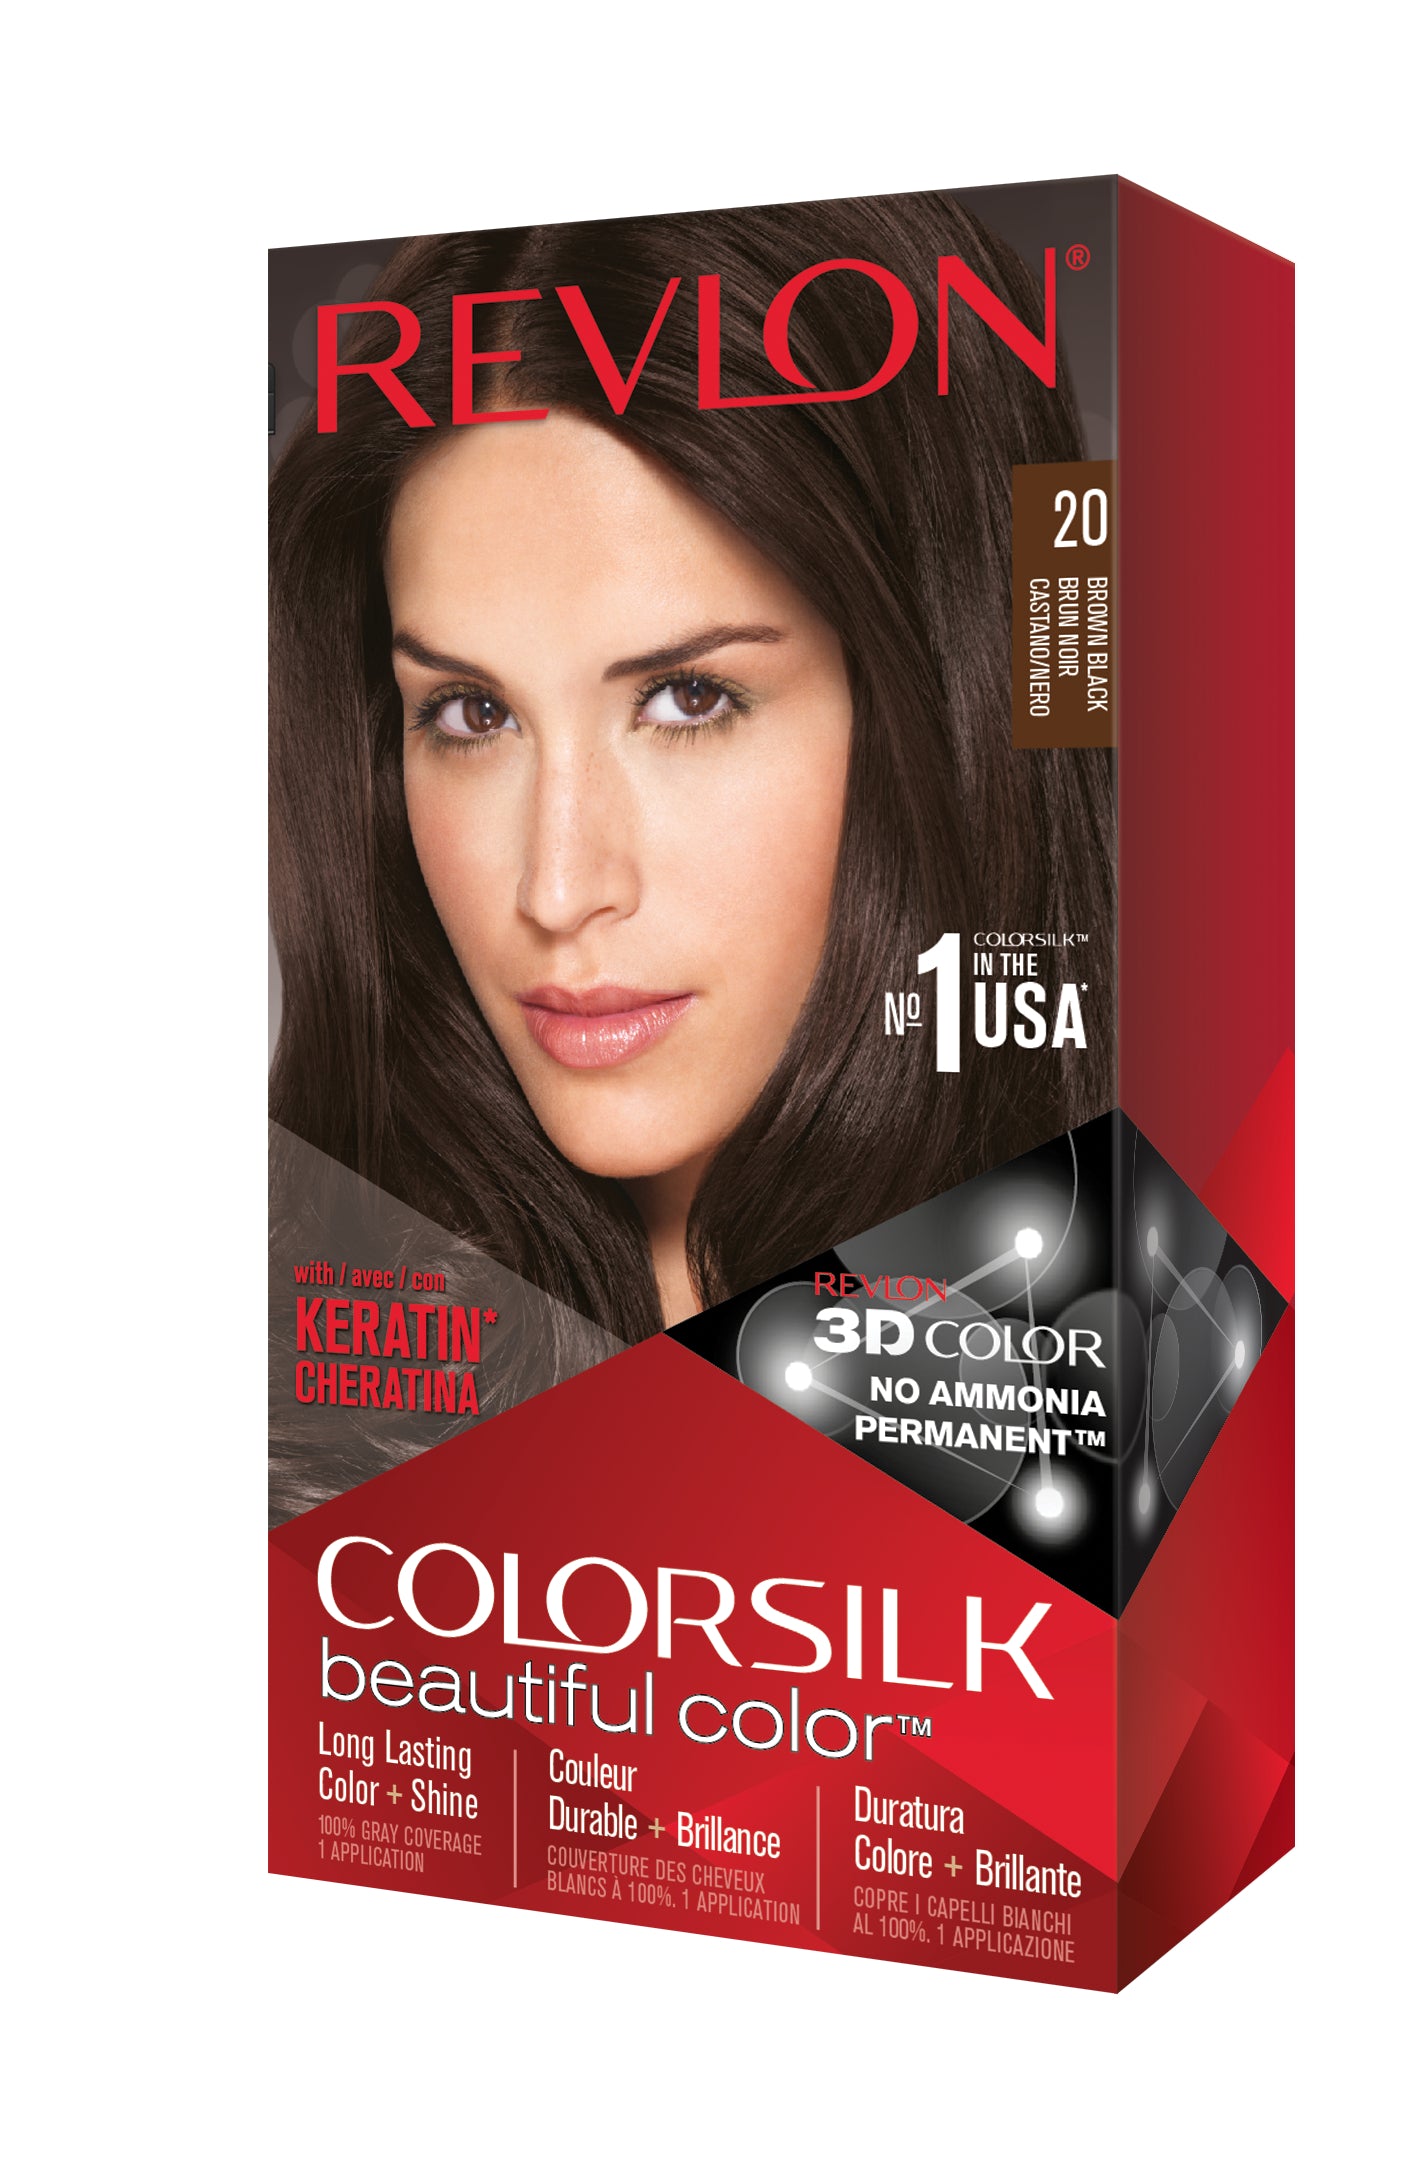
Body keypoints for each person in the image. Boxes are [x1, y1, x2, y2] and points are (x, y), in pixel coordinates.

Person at [270, 193, 1115, 1363]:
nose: (558, 890)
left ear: (945, 688)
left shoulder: (1157, 1330)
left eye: (689, 697)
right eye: (473, 713)